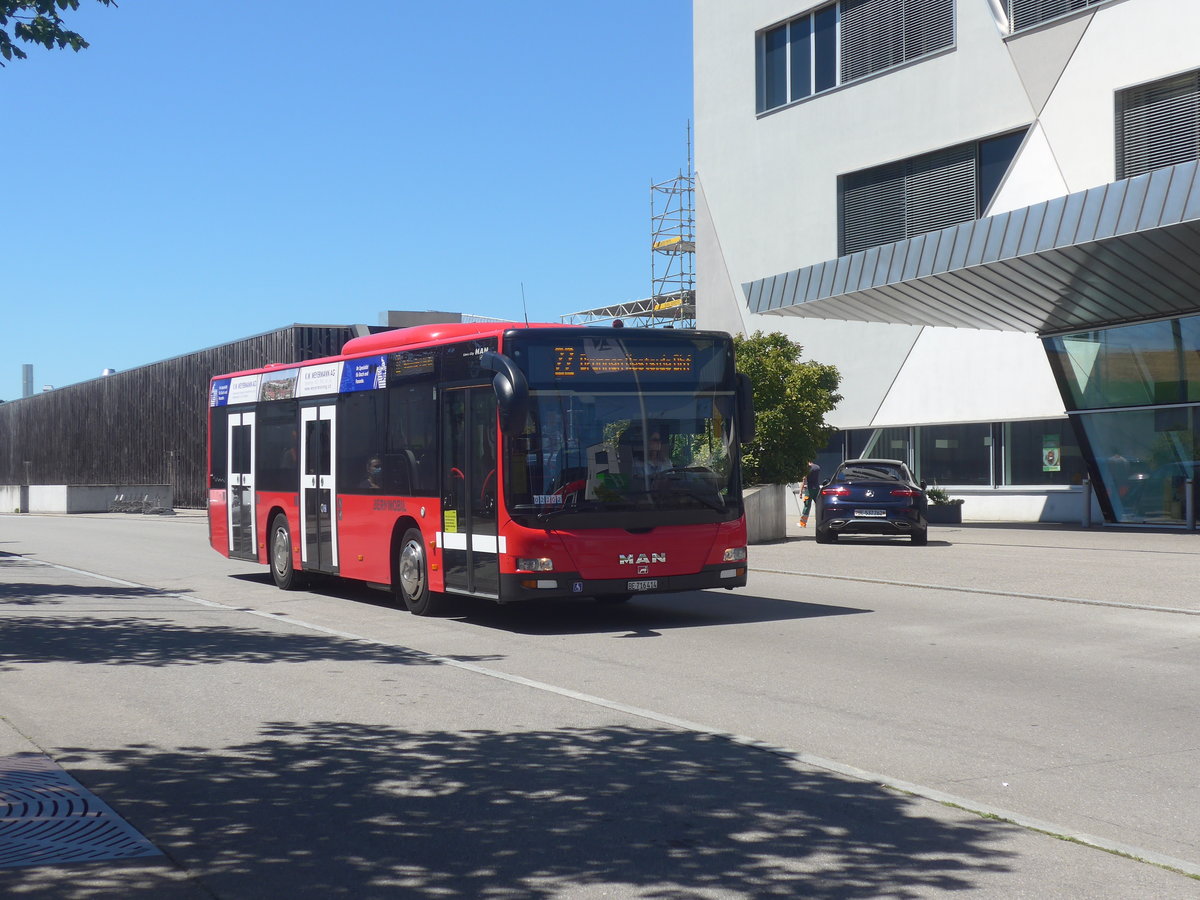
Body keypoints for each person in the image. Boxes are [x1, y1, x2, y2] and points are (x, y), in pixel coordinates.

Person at [797, 460, 821, 527]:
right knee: (818, 506)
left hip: (809, 490)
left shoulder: (807, 469)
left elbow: (804, 480)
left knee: (807, 506)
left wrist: (801, 491)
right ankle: (819, 522)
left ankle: (803, 523)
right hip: (817, 489)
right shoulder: (817, 467)